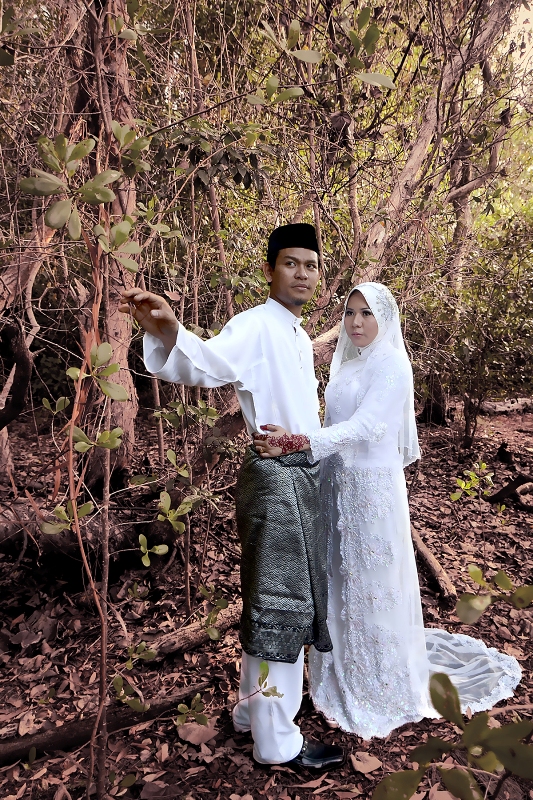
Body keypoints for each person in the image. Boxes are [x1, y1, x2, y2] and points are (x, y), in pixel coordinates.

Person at [118, 224, 345, 768]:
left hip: (299, 475)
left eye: (311, 265)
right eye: (291, 263)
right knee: (281, 608)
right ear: (270, 270)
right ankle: (275, 739)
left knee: (277, 603)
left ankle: (251, 711)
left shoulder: (294, 334)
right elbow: (210, 362)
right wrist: (170, 329)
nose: (303, 274)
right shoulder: (256, 324)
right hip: (275, 479)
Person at [254, 282, 521, 738]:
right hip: (338, 486)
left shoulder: (393, 364)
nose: (356, 322)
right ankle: (340, 672)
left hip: (374, 491)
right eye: (350, 312)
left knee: (373, 581)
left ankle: (379, 682)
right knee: (341, 576)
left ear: (385, 319)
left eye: (367, 314)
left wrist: (297, 443)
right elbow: (333, 424)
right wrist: (300, 443)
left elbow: (368, 426)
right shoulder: (348, 364)